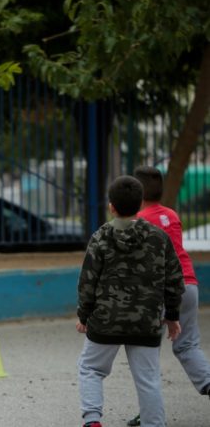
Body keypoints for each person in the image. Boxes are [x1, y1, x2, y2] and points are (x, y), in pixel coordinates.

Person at [76, 176, 185, 427]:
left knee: (90, 368)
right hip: (146, 321)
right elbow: (174, 280)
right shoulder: (159, 237)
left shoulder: (101, 237)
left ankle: (92, 420)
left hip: (106, 321)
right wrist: (172, 316)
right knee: (148, 379)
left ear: (111, 206)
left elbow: (87, 281)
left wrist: (84, 315)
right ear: (140, 205)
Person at [124, 166, 210, 427]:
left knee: (145, 354)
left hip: (159, 290)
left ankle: (150, 413)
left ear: (137, 194)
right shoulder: (171, 215)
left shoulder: (138, 221)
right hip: (188, 284)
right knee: (187, 345)